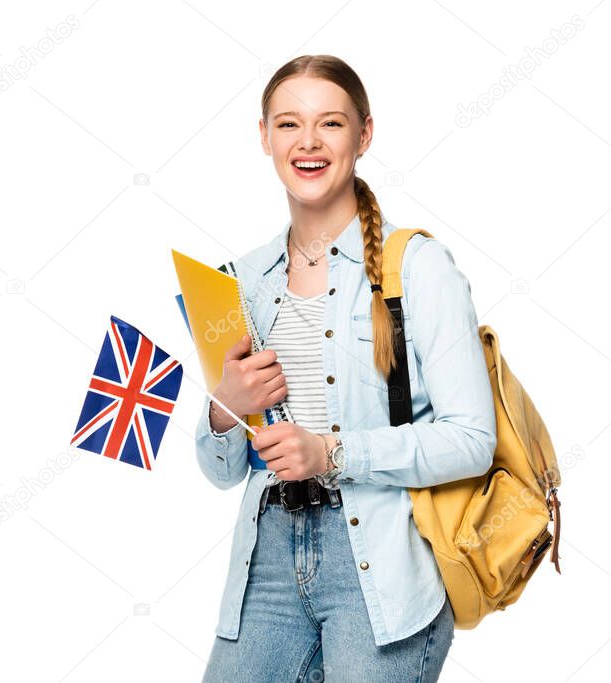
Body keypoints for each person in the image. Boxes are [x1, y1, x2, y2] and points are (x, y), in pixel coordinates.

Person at [195, 55, 498, 682]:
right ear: (264, 137)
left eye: (329, 123)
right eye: (288, 125)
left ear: (363, 135)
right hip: (266, 562)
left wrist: (328, 452)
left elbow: (473, 439)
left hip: (383, 569)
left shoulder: (417, 267)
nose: (307, 142)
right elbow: (220, 470)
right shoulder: (239, 281)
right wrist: (224, 407)